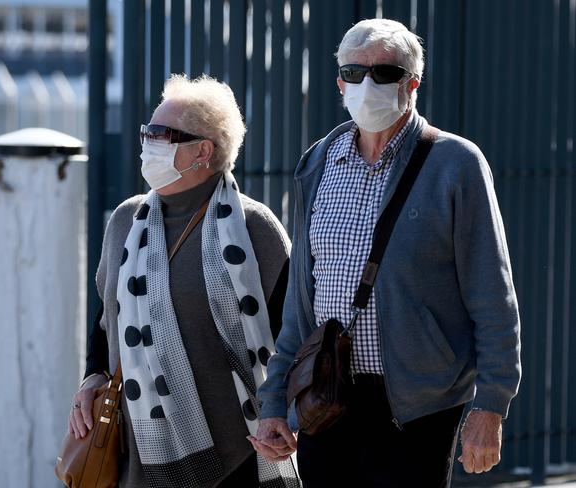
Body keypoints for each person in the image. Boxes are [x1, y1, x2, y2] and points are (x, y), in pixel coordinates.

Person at [248, 18, 522, 487]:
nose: (367, 84)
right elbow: (300, 304)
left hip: (419, 402)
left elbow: (492, 295)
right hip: (326, 395)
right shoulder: (319, 160)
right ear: (339, 82)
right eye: (354, 73)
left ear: (412, 83)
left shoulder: (455, 164)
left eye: (385, 73)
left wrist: (491, 405)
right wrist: (275, 401)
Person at [68, 74, 300, 487]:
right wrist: (93, 375)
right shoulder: (126, 220)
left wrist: (284, 411)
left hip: (241, 446)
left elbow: (290, 332)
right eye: (147, 132)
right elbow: (108, 316)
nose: (147, 143)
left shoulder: (254, 228)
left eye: (160, 134)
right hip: (142, 447)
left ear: (203, 150)